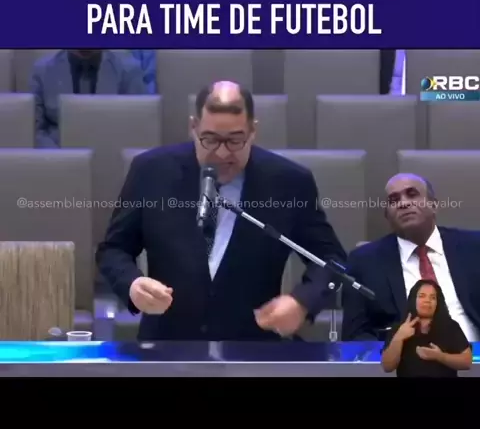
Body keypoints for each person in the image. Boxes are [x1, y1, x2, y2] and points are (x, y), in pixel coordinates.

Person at [96, 80, 346, 341]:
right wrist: (133, 284)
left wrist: (302, 302)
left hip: (253, 348)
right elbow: (113, 250)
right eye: (211, 139)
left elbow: (332, 259)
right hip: (167, 345)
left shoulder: (288, 182)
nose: (222, 153)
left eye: (235, 140)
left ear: (253, 131)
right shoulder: (151, 172)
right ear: (194, 127)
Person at [342, 172, 480, 342]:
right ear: (387, 215)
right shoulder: (365, 262)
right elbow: (355, 335)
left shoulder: (474, 247)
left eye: (412, 194)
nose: (404, 203)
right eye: (394, 200)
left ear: (433, 205)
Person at [31, 49, 148, 148]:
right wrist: (57, 157)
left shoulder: (129, 70)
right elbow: (34, 129)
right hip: (58, 155)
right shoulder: (42, 71)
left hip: (113, 152)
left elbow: (138, 127)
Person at [381, 279, 472, 377]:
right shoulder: (399, 328)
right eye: (422, 296)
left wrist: (440, 356)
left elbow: (467, 362)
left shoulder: (451, 326)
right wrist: (399, 337)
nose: (427, 300)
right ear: (413, 300)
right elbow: (387, 367)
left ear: (437, 303)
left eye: (433, 297)